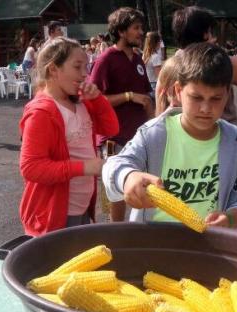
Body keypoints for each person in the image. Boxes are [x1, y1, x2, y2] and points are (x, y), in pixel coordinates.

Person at [102, 42, 237, 230]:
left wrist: (232, 217)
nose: (205, 108)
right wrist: (128, 177)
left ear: (227, 94)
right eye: (196, 97)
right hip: (154, 244)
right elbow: (112, 167)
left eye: (216, 98)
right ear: (178, 91)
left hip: (209, 247)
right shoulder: (153, 134)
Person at [18, 37, 119, 236]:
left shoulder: (80, 101)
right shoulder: (41, 112)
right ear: (53, 69)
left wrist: (97, 99)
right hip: (53, 214)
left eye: (86, 67)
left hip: (81, 208)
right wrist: (84, 167)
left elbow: (112, 128)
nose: (85, 74)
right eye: (77, 67)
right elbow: (31, 168)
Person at [89, 7, 153, 222]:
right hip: (113, 139)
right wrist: (128, 95)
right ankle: (113, 235)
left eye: (141, 28)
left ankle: (130, 235)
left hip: (138, 137)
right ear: (122, 31)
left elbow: (145, 96)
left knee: (138, 188)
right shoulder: (106, 59)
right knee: (114, 188)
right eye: (136, 28)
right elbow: (94, 98)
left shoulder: (137, 59)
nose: (141, 32)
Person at [142, 31, 163, 99]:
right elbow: (159, 76)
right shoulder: (156, 57)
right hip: (155, 86)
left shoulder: (145, 55)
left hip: (147, 85)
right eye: (159, 41)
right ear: (156, 43)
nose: (160, 43)